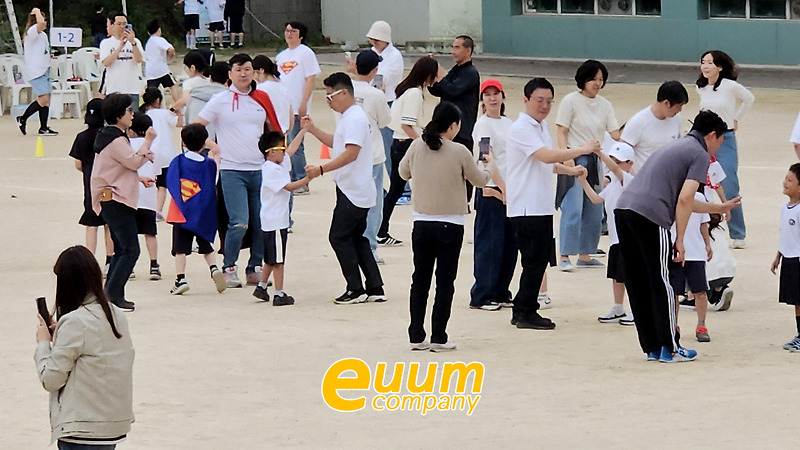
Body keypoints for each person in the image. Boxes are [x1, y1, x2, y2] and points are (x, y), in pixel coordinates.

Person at [615, 110, 741, 363]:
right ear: (712, 135)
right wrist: (680, 240)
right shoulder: (699, 153)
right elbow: (684, 199)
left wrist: (717, 209)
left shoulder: (677, 146)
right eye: (720, 140)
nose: (719, 146)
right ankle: (670, 347)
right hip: (651, 216)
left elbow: (685, 199)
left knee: (638, 281)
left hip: (625, 210)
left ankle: (652, 347)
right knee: (663, 282)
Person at [505, 77, 600, 330]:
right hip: (527, 206)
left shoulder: (540, 127)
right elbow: (545, 155)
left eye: (549, 101)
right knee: (534, 261)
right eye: (539, 100)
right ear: (526, 100)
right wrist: (581, 149)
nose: (545, 106)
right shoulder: (521, 128)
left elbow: (544, 161)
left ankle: (522, 308)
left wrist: (569, 171)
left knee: (537, 261)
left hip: (540, 204)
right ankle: (526, 311)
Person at [399, 102, 493, 351]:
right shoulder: (459, 151)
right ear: (452, 126)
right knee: (444, 281)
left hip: (421, 220)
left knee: (420, 279)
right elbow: (480, 180)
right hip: (450, 223)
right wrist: (488, 163)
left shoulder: (417, 144)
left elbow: (402, 172)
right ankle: (439, 335)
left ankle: (416, 334)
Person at [195, 53, 282, 288]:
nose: (243, 74)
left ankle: (254, 267)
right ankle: (229, 266)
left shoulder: (262, 98)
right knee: (239, 221)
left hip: (259, 169)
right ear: (230, 73)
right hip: (232, 170)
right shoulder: (219, 100)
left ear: (254, 72)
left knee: (260, 220)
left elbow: (274, 131)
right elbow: (195, 127)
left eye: (248, 69)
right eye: (238, 69)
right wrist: (212, 146)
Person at [35, 245, 134, 449]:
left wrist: (44, 344)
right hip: (112, 426)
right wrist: (59, 337)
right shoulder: (117, 315)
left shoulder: (74, 321)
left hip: (82, 429)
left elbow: (51, 380)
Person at [302, 72, 386, 304]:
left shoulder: (356, 118)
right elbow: (338, 143)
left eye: (331, 96)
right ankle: (375, 286)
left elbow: (351, 152)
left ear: (345, 93)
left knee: (338, 236)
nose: (328, 102)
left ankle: (355, 288)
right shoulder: (348, 117)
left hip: (354, 189)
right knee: (356, 237)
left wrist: (321, 170)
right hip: (352, 187)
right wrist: (313, 129)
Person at [91, 93, 156, 311]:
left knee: (121, 249)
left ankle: (111, 295)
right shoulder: (116, 139)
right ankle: (111, 296)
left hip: (111, 197)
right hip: (115, 200)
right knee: (131, 250)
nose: (132, 115)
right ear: (119, 115)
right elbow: (133, 161)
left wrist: (138, 178)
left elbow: (117, 168)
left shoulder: (111, 135)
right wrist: (147, 141)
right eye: (129, 111)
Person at [556, 59, 620, 271]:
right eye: (593, 79)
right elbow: (562, 131)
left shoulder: (605, 104)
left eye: (601, 79)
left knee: (594, 208)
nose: (597, 83)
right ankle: (565, 254)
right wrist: (567, 158)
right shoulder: (570, 101)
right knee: (572, 207)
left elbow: (615, 133)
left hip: (595, 159)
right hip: (575, 156)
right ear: (583, 79)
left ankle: (585, 254)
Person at [696, 50, 755, 249]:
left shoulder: (730, 86)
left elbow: (749, 99)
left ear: (720, 67)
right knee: (700, 183)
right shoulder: (701, 87)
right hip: (704, 138)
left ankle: (738, 233)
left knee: (729, 183)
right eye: (703, 62)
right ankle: (704, 228)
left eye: (710, 63)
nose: (705, 66)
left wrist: (736, 118)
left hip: (725, 137)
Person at [379, 56, 441, 247]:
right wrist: (423, 142)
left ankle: (381, 229)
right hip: (406, 145)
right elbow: (407, 125)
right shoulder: (414, 93)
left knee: (396, 190)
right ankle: (382, 229)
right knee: (418, 186)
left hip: (399, 144)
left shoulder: (406, 89)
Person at [468, 79, 517, 311]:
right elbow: (486, 157)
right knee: (490, 243)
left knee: (509, 243)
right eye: (487, 94)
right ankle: (483, 294)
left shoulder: (509, 123)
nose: (492, 98)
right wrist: (501, 186)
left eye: (495, 93)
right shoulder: (483, 125)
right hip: (491, 189)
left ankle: (501, 290)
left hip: (511, 189)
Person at [577, 142, 636, 325]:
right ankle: (618, 307)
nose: (614, 165)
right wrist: (583, 181)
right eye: (613, 161)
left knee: (632, 276)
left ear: (629, 163)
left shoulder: (629, 180)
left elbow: (614, 170)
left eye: (618, 162)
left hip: (630, 238)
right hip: (616, 238)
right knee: (617, 275)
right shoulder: (612, 186)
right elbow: (596, 199)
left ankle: (637, 309)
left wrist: (599, 152)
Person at [166, 123, 228, 295]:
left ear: (183, 143)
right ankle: (214, 268)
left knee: (180, 248)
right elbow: (212, 182)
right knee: (205, 244)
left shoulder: (178, 161)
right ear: (203, 144)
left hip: (181, 213)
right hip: (201, 213)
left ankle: (180, 279)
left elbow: (171, 183)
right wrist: (216, 158)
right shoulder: (208, 164)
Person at [252, 131, 310, 305]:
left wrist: (303, 131)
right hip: (276, 221)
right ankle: (279, 293)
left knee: (271, 257)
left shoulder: (277, 163)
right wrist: (309, 177)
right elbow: (289, 187)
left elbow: (291, 150)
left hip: (272, 221)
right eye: (281, 148)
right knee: (278, 260)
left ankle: (262, 287)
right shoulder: (271, 170)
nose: (285, 151)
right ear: (271, 151)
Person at [350, 50, 391, 264]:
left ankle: (355, 246)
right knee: (374, 204)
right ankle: (370, 247)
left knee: (352, 201)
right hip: (372, 154)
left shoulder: (344, 89)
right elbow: (384, 122)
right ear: (375, 70)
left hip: (349, 154)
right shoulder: (376, 95)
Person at [428, 35, 480, 202]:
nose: (453, 51)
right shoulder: (456, 70)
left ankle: (463, 199)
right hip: (447, 129)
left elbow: (452, 90)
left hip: (462, 130)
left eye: (457, 47)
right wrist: (431, 77)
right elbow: (439, 90)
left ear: (468, 50)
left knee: (463, 167)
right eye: (453, 47)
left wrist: (440, 73)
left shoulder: (471, 73)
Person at [69, 99, 114, 275]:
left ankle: (90, 261)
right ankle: (110, 260)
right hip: (108, 184)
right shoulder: (108, 135)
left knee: (91, 224)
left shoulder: (81, 137)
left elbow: (78, 165)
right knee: (109, 223)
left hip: (90, 186)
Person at [276, 21, 321, 193]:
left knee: (297, 144)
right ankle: (291, 178)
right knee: (284, 144)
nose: (289, 34)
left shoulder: (306, 53)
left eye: (293, 31)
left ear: (300, 35)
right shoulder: (281, 56)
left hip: (297, 107)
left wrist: (304, 103)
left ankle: (301, 181)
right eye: (287, 30)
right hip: (283, 108)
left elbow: (310, 79)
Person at [671, 190, 713, 342]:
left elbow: (704, 224)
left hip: (695, 252)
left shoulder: (700, 197)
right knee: (674, 292)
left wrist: (707, 244)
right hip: (675, 252)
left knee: (700, 290)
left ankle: (701, 324)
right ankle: (673, 325)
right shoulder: (670, 195)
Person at [621, 80, 687, 172]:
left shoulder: (676, 119)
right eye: (679, 106)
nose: (680, 110)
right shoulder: (638, 122)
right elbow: (620, 155)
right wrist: (634, 178)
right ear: (666, 103)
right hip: (643, 179)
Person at [365, 20, 404, 177]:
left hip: (389, 102)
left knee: (388, 145)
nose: (374, 42)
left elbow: (383, 77)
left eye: (377, 39)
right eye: (372, 39)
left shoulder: (394, 56)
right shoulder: (371, 52)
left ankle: (403, 187)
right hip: (372, 100)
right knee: (372, 146)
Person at [128, 113, 161, 281]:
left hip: (130, 195)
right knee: (150, 233)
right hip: (148, 196)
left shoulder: (126, 145)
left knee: (130, 233)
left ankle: (130, 266)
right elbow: (157, 172)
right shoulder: (155, 147)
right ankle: (154, 265)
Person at [142, 87, 182, 220]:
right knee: (163, 184)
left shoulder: (143, 115)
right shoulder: (164, 113)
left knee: (151, 181)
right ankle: (158, 210)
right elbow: (179, 123)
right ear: (158, 100)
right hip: (167, 154)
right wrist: (178, 111)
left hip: (149, 152)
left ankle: (149, 208)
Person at [17, 7, 58, 136]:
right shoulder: (32, 32)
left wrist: (51, 55)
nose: (44, 22)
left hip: (44, 69)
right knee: (43, 99)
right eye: (43, 19)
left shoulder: (43, 35)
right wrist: (36, 11)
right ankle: (23, 118)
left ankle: (43, 127)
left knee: (46, 99)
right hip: (36, 71)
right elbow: (40, 24)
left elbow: (43, 50)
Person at [772, 163, 800, 351]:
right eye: (786, 178)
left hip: (798, 260)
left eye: (790, 180)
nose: (785, 182)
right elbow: (786, 235)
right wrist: (778, 257)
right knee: (796, 301)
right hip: (789, 259)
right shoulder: (785, 207)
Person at [100, 12, 144, 110]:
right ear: (112, 25)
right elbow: (106, 63)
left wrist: (132, 43)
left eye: (124, 24)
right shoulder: (106, 43)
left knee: (132, 120)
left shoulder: (136, 42)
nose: (122, 27)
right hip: (114, 88)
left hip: (132, 88)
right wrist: (120, 46)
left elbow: (139, 60)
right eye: (119, 24)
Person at [144, 20, 181, 106]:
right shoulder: (159, 39)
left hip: (150, 71)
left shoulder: (148, 42)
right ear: (159, 30)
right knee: (173, 85)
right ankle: (178, 104)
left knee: (152, 92)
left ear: (148, 32)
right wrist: (172, 55)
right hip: (161, 69)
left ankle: (152, 107)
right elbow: (170, 48)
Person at [253, 55, 292, 133]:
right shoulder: (283, 86)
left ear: (261, 70)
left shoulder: (260, 88)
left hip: (268, 132)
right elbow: (290, 112)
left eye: (253, 72)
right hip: (283, 131)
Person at [170, 50, 211, 115]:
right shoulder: (209, 81)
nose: (185, 70)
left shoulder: (189, 83)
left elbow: (185, 99)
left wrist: (172, 108)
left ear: (192, 68)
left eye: (185, 68)